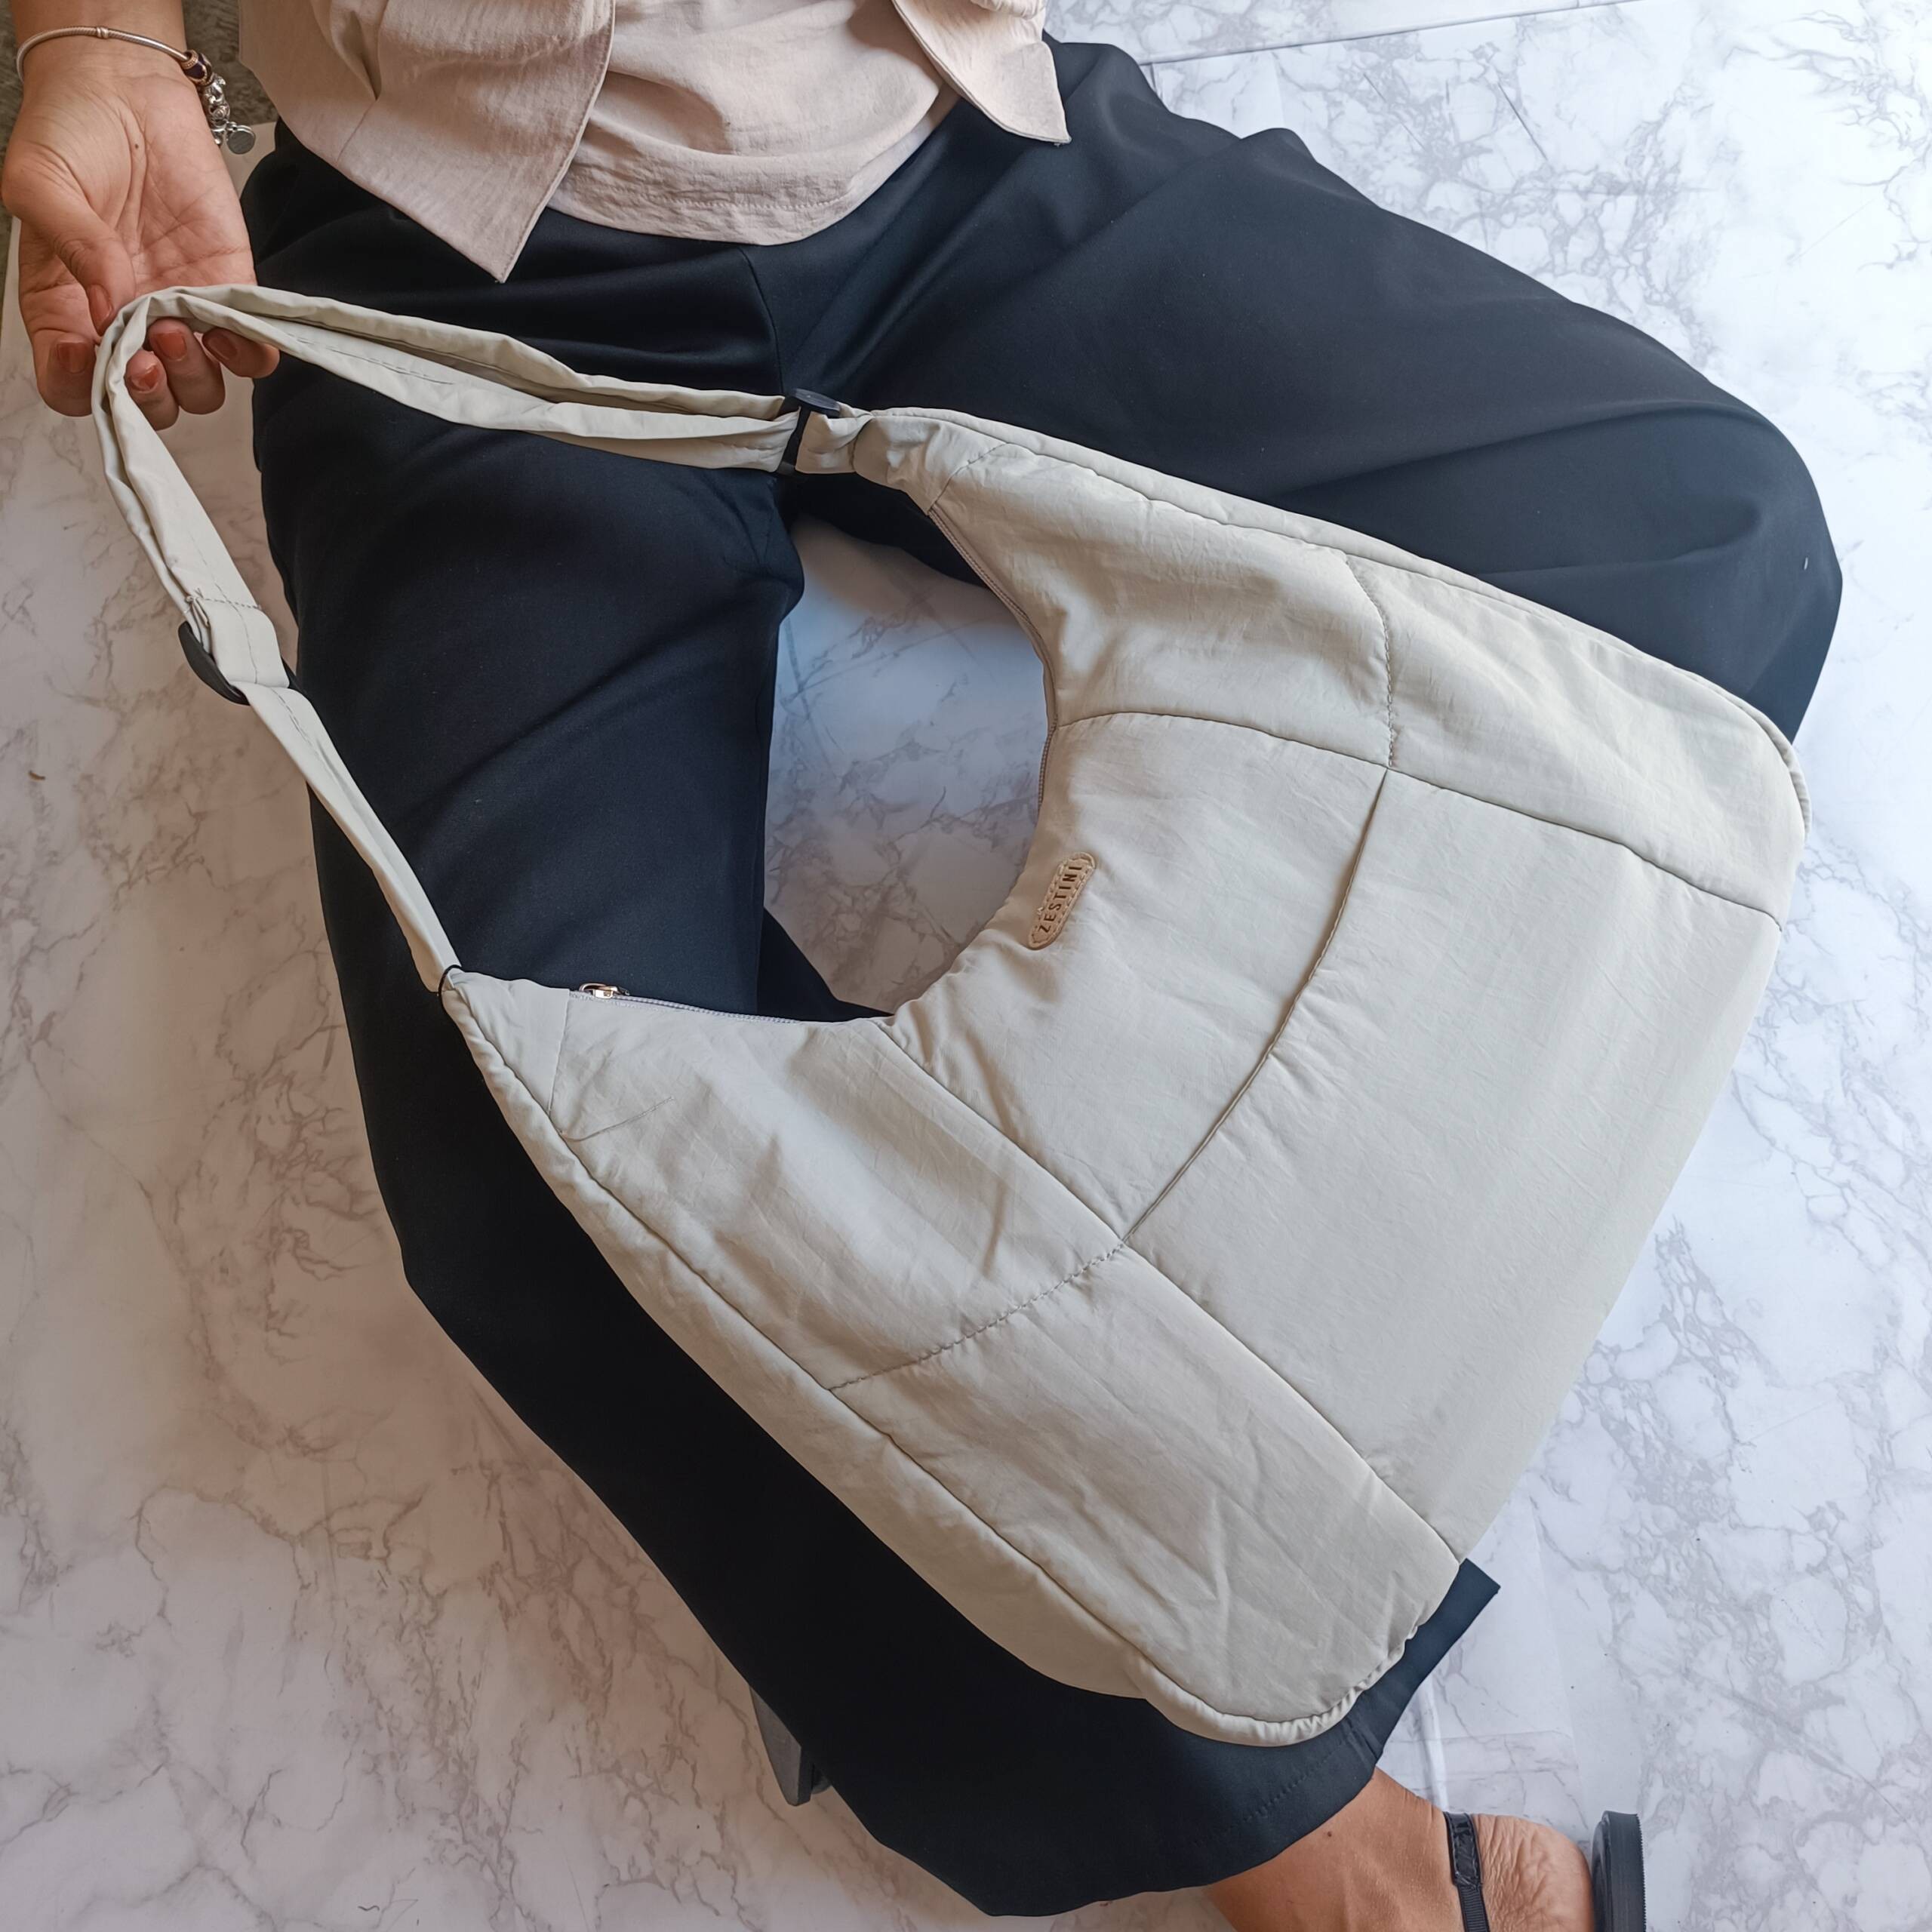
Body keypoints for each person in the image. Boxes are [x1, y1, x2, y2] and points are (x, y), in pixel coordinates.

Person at [2, 1, 1838, 1924]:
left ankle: (1271, 1334)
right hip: (457, 256)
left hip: (923, 131)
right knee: (540, 1158)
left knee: (1690, 553)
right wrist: (98, 42)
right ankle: (1296, 1841)